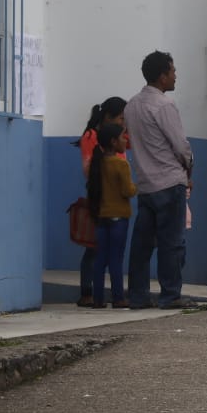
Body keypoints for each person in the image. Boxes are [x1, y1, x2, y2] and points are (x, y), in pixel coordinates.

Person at [123, 51, 195, 310]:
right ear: (162, 76)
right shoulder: (164, 106)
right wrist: (189, 168)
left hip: (145, 183)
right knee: (172, 243)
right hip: (169, 180)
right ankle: (170, 294)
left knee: (142, 245)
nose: (176, 75)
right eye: (173, 71)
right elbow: (180, 145)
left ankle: (138, 295)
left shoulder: (131, 105)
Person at [74, 96, 125, 307]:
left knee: (104, 250)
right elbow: (89, 169)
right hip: (101, 198)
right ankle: (89, 293)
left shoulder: (117, 137)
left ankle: (103, 295)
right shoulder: (91, 136)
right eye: (121, 118)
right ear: (108, 117)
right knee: (94, 248)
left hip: (113, 199)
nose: (124, 123)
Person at [85, 120, 137, 308]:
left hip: (101, 217)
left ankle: (98, 298)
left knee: (100, 259)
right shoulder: (121, 164)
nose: (126, 140)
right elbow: (127, 191)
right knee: (116, 259)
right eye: (123, 136)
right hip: (119, 218)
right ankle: (118, 297)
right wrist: (136, 187)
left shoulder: (96, 164)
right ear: (114, 142)